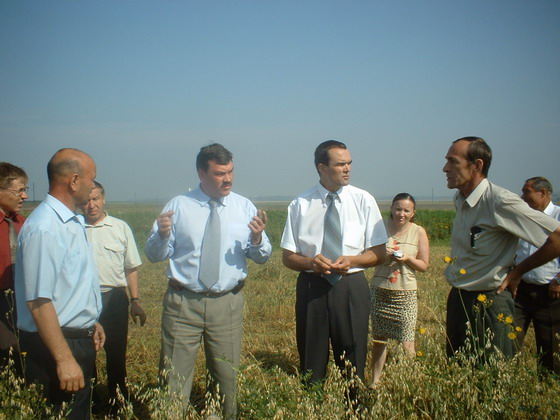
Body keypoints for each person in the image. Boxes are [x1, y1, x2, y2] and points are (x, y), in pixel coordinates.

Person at [145, 143, 272, 419]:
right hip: (183, 303)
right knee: (173, 377)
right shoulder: (178, 206)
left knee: (226, 378)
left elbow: (262, 257)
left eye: (230, 172)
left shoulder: (244, 207)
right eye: (219, 173)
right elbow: (154, 255)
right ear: (201, 174)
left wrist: (257, 239)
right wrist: (164, 235)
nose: (227, 179)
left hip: (226, 303)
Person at [280, 140, 388, 388]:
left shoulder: (363, 200)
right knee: (311, 357)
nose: (347, 168)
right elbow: (288, 257)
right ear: (322, 168)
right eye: (340, 164)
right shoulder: (300, 204)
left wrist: (352, 260)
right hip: (312, 286)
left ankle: (355, 407)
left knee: (353, 353)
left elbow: (379, 253)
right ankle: (315, 403)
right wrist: (310, 262)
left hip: (351, 285)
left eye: (349, 163)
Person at [442, 137, 560, 361]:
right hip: (459, 298)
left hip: (489, 302)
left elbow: (557, 238)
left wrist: (517, 272)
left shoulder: (499, 201)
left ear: (477, 165)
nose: (445, 168)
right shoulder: (460, 199)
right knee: (457, 370)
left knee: (490, 378)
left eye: (453, 162)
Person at [15, 148, 105, 420]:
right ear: (74, 181)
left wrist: (90, 322)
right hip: (55, 345)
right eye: (91, 179)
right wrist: (65, 359)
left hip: (74, 338)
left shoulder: (69, 222)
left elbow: (68, 286)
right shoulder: (45, 228)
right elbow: (39, 301)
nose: (92, 187)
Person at [81, 181, 146, 406]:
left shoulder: (120, 228)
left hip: (115, 299)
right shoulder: (73, 228)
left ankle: (118, 399)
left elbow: (130, 268)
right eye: (86, 200)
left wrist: (135, 300)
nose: (91, 205)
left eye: (96, 199)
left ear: (104, 199)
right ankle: (90, 400)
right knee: (86, 352)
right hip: (82, 301)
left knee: (116, 353)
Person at [370, 193, 429, 385]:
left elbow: (424, 265)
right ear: (391, 209)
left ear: (413, 213)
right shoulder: (380, 228)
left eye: (406, 210)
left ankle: (413, 382)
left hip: (405, 293)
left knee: (407, 341)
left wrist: (408, 259)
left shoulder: (418, 231)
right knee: (379, 340)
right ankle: (375, 381)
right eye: (397, 209)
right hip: (380, 290)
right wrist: (381, 255)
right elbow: (367, 255)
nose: (401, 213)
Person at [514, 176, 560, 374]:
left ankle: (548, 382)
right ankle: (506, 376)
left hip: (550, 292)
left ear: (543, 193)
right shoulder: (524, 216)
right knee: (509, 336)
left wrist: (559, 280)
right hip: (521, 289)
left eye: (527, 192)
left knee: (549, 343)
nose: (523, 197)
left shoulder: (558, 216)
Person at [0, 162, 28, 371]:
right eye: (19, 191)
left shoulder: (24, 223)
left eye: (25, 190)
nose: (24, 196)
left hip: (23, 298)